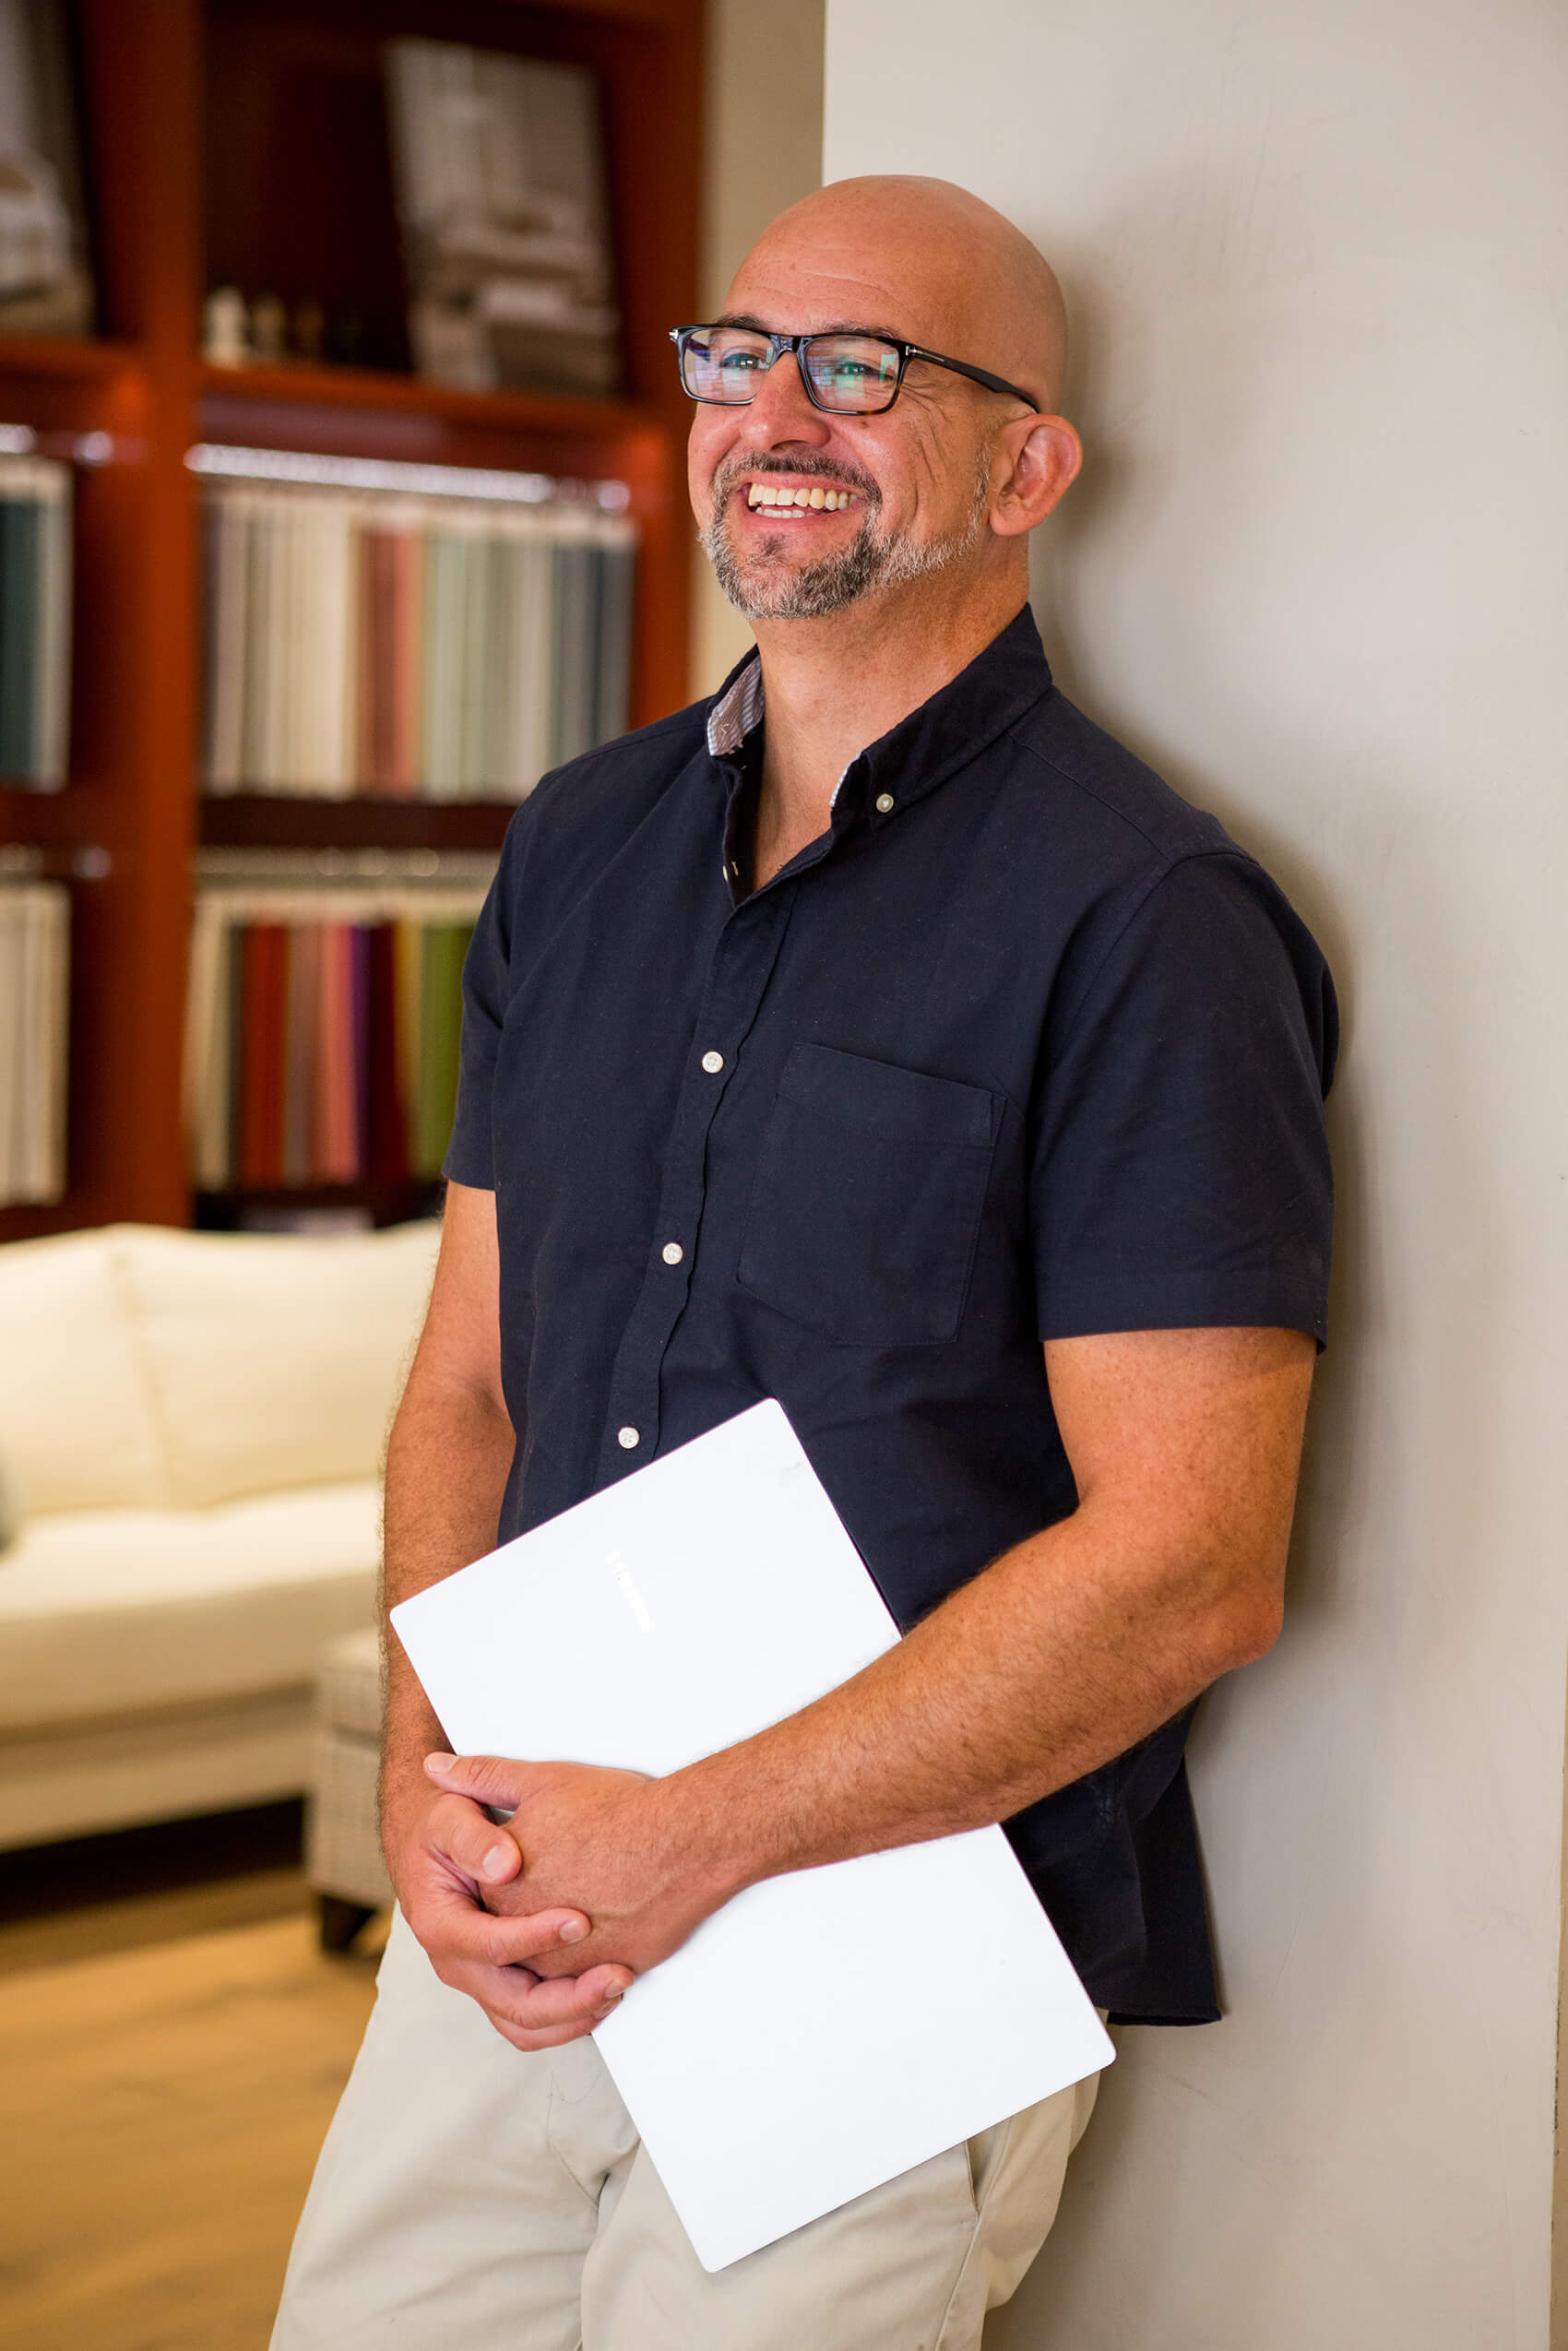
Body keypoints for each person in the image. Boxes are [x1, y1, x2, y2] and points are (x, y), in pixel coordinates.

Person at [271, 175, 1336, 2350]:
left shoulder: (1145, 920)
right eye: (736, 353)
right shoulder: (574, 843)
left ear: (1024, 464)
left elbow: (1191, 1561)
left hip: (890, 1954)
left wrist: (706, 1835)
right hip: (515, 1903)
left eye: (863, 369)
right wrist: (415, 1771)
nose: (777, 410)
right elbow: (469, 1385)